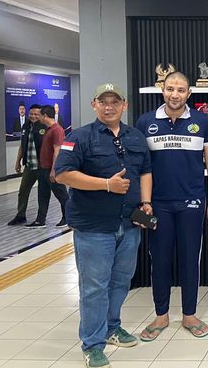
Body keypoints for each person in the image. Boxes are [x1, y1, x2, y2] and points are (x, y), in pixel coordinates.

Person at [55, 83, 152, 368]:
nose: (109, 107)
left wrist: (146, 202)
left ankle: (112, 327)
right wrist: (106, 184)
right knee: (94, 287)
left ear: (124, 105)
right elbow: (62, 174)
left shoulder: (136, 137)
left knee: (121, 281)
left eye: (115, 102)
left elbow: (145, 171)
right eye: (103, 102)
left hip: (129, 223)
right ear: (94, 105)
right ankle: (92, 344)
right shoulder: (79, 137)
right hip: (94, 226)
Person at [135, 71, 208, 341]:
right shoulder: (145, 121)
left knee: (189, 259)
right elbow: (141, 167)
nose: (175, 94)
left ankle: (189, 315)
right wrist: (144, 202)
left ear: (189, 93)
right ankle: (161, 315)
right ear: (162, 90)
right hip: (156, 205)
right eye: (170, 89)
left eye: (181, 90)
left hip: (192, 202)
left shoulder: (203, 121)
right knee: (159, 260)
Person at [26, 104, 69, 228]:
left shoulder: (57, 130)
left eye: (39, 115)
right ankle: (40, 220)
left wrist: (54, 170)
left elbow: (57, 151)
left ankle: (67, 218)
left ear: (45, 116)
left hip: (51, 169)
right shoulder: (48, 129)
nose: (37, 117)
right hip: (43, 168)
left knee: (61, 194)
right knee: (42, 195)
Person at [8, 104, 44, 226]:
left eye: (36, 114)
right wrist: (18, 161)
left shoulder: (45, 126)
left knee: (45, 193)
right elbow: (22, 145)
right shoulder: (26, 126)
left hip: (43, 166)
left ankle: (42, 218)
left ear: (41, 115)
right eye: (31, 114)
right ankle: (20, 215)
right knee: (23, 191)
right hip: (29, 165)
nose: (33, 116)